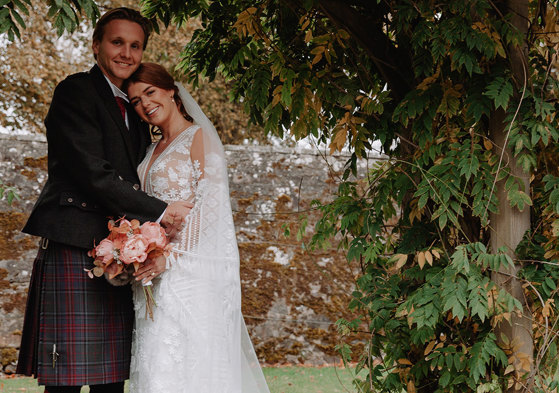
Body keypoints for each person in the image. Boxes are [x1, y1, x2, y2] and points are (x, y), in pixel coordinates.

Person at [16, 8, 190, 393]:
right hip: (76, 243)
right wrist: (161, 211)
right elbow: (92, 173)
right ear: (97, 46)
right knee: (66, 380)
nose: (126, 53)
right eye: (117, 42)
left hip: (124, 251)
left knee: (112, 380)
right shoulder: (76, 91)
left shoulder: (136, 108)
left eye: (135, 45)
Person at [124, 62, 270, 393]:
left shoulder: (199, 138)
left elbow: (210, 208)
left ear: (171, 91)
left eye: (150, 92)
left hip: (190, 271)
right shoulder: (150, 150)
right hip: (153, 275)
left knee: (189, 366)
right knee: (156, 363)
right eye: (135, 100)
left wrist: (169, 257)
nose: (145, 104)